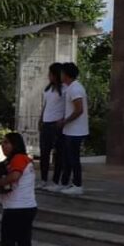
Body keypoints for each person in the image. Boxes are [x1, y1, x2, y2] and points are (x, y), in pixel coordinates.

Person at [56, 62, 89, 196]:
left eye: (62, 73)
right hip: (71, 130)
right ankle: (69, 183)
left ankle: (77, 184)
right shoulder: (71, 88)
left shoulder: (75, 89)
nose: (60, 75)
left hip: (76, 131)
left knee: (74, 158)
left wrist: (65, 121)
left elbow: (79, 109)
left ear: (66, 74)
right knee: (69, 158)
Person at [38, 63, 65, 190]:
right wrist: (41, 119)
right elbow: (45, 105)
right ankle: (43, 179)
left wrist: (63, 119)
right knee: (44, 153)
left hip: (57, 124)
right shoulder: (48, 89)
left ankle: (56, 180)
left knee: (58, 153)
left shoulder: (64, 89)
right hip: (46, 123)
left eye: (50, 74)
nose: (48, 76)